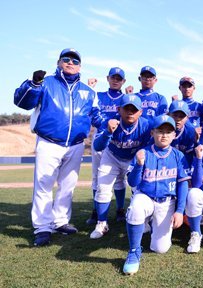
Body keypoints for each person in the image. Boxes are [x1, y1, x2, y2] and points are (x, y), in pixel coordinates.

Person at [14, 48, 103, 246]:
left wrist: (109, 125)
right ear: (58, 62)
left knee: (68, 186)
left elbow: (96, 116)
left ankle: (60, 221)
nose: (71, 63)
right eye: (66, 59)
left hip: (76, 145)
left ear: (80, 66)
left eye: (75, 61)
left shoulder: (88, 92)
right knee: (44, 186)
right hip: (49, 142)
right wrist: (33, 84)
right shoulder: (46, 83)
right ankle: (43, 227)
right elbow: (21, 102)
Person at [123, 115, 190, 275]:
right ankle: (133, 251)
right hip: (145, 197)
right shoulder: (143, 153)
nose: (164, 135)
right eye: (160, 131)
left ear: (174, 135)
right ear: (152, 132)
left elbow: (183, 184)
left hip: (167, 202)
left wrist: (180, 211)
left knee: (160, 248)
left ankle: (152, 225)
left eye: (168, 131)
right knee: (135, 209)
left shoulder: (178, 156)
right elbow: (132, 182)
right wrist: (139, 165)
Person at [90, 95, 152, 239]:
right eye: (126, 108)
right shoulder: (111, 122)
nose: (130, 112)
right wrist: (107, 132)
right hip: (112, 156)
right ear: (119, 110)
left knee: (140, 189)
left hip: (133, 158)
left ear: (140, 112)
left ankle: (144, 220)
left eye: (134, 109)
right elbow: (97, 146)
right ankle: (101, 223)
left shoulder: (146, 125)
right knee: (103, 188)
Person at [86, 67, 128, 225]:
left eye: (119, 78)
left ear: (123, 81)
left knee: (120, 178)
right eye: (113, 77)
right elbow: (90, 111)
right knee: (97, 177)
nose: (116, 80)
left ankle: (120, 209)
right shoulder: (98, 96)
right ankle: (96, 211)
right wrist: (91, 89)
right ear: (108, 78)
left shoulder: (125, 98)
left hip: (117, 140)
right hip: (100, 139)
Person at [168, 100, 197, 169]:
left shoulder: (190, 131)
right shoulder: (162, 129)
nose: (178, 119)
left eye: (181, 116)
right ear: (169, 114)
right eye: (175, 115)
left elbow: (189, 157)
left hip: (182, 165)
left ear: (187, 117)